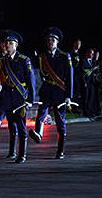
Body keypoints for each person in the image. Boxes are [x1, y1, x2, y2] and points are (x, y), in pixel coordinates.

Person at [0, 29, 35, 163]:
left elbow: (31, 81)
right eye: (6, 43)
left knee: (21, 126)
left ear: (16, 45)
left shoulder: (23, 60)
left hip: (19, 97)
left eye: (10, 43)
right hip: (6, 95)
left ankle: (22, 154)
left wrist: (30, 100)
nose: (7, 45)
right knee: (3, 116)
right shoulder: (1, 61)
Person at [29, 27, 73, 159]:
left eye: (53, 40)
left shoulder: (65, 56)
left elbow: (70, 77)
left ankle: (60, 151)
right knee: (41, 114)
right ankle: (38, 134)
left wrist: (68, 96)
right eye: (48, 40)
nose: (50, 42)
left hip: (60, 92)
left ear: (57, 42)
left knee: (60, 122)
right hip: (47, 91)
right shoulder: (42, 57)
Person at [81, 48, 97, 121]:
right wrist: (84, 81)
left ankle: (90, 111)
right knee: (86, 96)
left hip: (92, 82)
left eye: (93, 53)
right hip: (87, 82)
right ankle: (85, 111)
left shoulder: (93, 62)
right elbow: (82, 72)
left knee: (91, 96)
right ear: (87, 53)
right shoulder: (83, 61)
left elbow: (95, 72)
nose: (92, 54)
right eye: (91, 53)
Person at [69, 39, 82, 110]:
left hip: (77, 74)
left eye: (79, 44)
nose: (78, 45)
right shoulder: (70, 52)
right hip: (72, 74)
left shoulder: (79, 53)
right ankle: (71, 107)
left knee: (77, 89)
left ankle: (75, 106)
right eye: (77, 43)